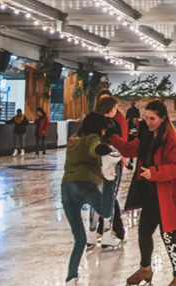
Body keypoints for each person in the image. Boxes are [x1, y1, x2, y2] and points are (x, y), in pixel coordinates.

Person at [109, 100, 176, 286]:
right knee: (144, 233)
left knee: (169, 237)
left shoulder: (173, 141)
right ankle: (145, 269)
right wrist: (110, 138)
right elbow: (129, 150)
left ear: (162, 118)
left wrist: (154, 173)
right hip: (151, 197)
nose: (148, 122)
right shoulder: (147, 138)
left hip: (168, 197)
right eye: (146, 118)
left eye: (152, 118)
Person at [60, 112, 120, 286]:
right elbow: (94, 148)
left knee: (79, 238)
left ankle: (71, 277)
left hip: (66, 188)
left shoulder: (73, 138)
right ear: (97, 128)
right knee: (106, 210)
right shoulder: (92, 138)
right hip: (84, 185)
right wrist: (104, 150)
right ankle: (110, 180)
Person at [90, 96, 126, 249]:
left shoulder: (91, 124)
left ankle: (93, 235)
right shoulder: (113, 124)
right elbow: (117, 145)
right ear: (112, 109)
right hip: (110, 164)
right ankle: (107, 234)